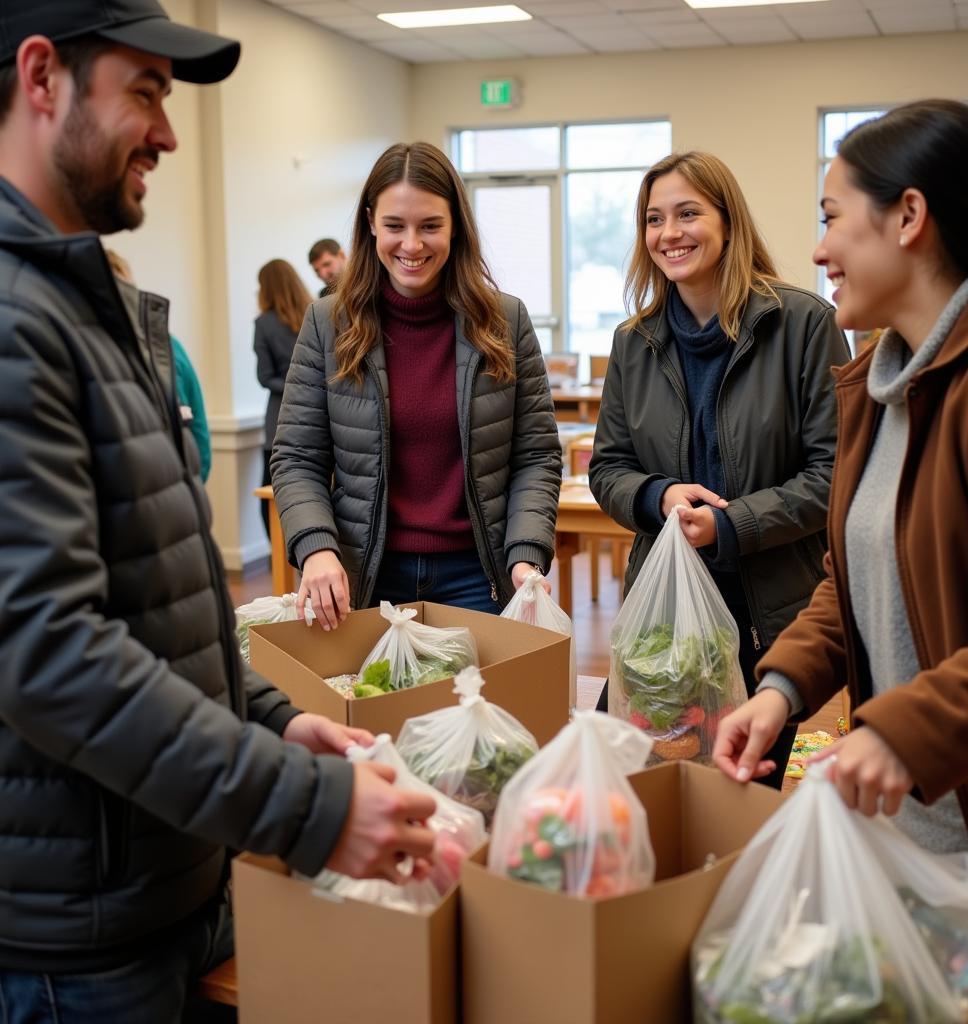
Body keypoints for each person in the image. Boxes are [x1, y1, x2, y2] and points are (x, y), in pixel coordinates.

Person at [0, 5, 435, 1019]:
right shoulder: (16, 321)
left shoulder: (80, 303)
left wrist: (273, 720)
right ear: (40, 78)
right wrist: (309, 808)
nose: (169, 132)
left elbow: (157, 614)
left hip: (165, 884)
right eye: (146, 91)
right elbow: (48, 651)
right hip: (80, 938)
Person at [713, 100, 968, 887]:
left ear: (909, 217)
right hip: (909, 818)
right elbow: (851, 575)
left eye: (831, 217)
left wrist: (900, 734)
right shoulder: (883, 380)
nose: (818, 250)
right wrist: (781, 688)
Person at [588, 151, 849, 788]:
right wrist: (658, 495)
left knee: (737, 793)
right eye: (653, 219)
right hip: (665, 618)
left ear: (727, 222)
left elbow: (834, 472)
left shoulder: (803, 324)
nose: (668, 233)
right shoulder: (635, 340)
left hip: (768, 611)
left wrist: (731, 525)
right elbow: (608, 467)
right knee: (645, 785)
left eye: (687, 214)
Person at [272, 142, 562, 629]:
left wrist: (526, 552)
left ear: (456, 226)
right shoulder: (328, 322)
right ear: (370, 223)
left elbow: (535, 454)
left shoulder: (505, 320)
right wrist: (317, 547)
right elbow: (297, 457)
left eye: (430, 226)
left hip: (481, 575)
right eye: (394, 226)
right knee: (376, 705)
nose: (412, 245)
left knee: (477, 705)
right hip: (365, 577)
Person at [107, 247, 213, 481]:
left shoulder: (167, 346)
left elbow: (197, 425)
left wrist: (195, 482)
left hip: (178, 481)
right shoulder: (101, 351)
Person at [254, 258, 312, 535]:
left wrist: (295, 384)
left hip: (281, 417)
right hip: (318, 412)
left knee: (272, 495)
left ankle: (280, 564)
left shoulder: (264, 324)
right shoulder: (315, 313)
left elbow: (265, 378)